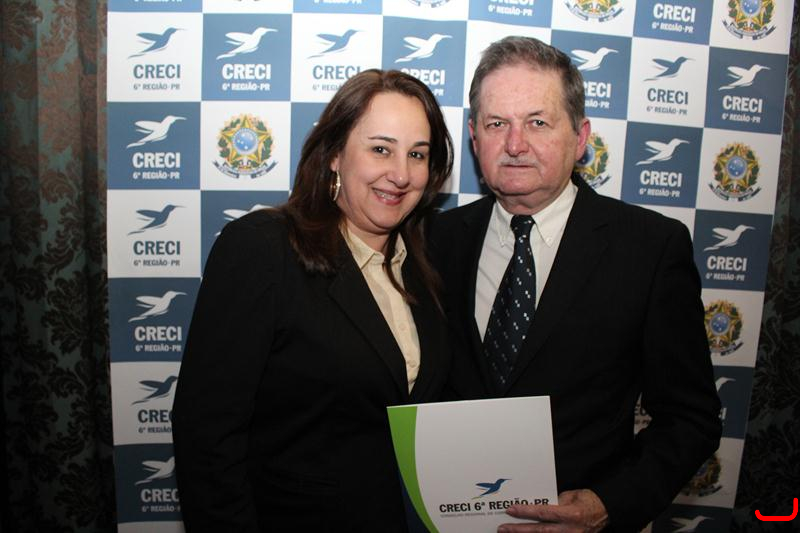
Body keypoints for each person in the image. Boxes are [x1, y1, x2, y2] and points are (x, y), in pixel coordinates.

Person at [429, 36, 721, 532]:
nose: (515, 144)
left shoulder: (649, 248)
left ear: (580, 137)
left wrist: (609, 504)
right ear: (475, 138)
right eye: (497, 124)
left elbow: (691, 418)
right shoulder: (432, 240)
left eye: (537, 122)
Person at [172, 69, 454, 532]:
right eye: (380, 149)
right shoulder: (263, 249)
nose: (401, 174)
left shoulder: (425, 265)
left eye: (417, 154)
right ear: (335, 154)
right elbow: (206, 435)